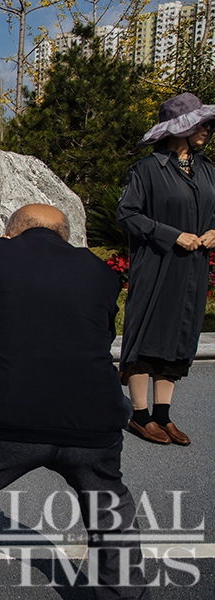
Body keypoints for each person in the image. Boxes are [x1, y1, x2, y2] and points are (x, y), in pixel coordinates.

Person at [0, 205, 147, 599]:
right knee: (109, 508)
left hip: (6, 421)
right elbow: (101, 337)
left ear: (9, 233)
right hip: (95, 423)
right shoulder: (100, 271)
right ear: (65, 236)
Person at [116, 92, 215, 446]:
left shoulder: (207, 170)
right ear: (179, 128)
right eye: (200, 124)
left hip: (192, 270)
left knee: (178, 334)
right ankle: (140, 415)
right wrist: (173, 236)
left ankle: (163, 415)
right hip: (157, 265)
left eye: (208, 125)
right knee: (147, 332)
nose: (207, 129)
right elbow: (127, 214)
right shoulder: (147, 169)